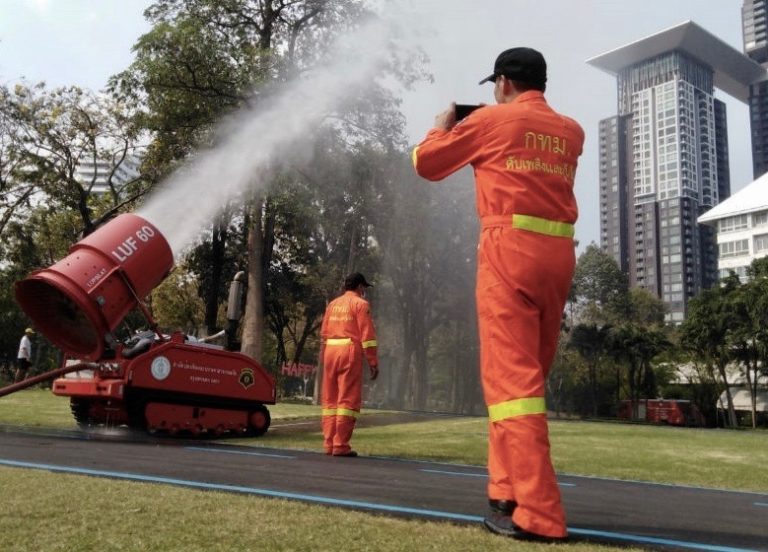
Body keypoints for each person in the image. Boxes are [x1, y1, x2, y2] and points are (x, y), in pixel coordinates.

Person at [412, 47, 584, 542]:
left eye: (494, 85)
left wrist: (443, 125)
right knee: (522, 381)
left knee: (513, 390)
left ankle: (540, 515)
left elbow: (426, 163)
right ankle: (504, 489)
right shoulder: (572, 131)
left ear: (504, 82)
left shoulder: (491, 121)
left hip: (509, 250)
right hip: (558, 257)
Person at [319, 272, 379, 457]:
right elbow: (367, 336)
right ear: (360, 287)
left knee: (330, 401)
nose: (364, 291)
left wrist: (324, 357)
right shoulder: (361, 305)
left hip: (330, 351)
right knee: (347, 400)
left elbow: (324, 333)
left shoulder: (333, 304)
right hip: (348, 351)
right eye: (364, 288)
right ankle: (341, 445)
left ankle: (328, 444)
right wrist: (373, 361)